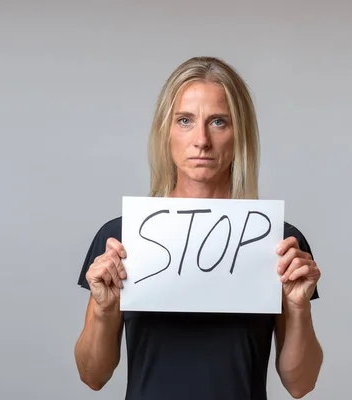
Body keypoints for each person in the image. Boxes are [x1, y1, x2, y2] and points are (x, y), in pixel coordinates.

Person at [74, 56, 323, 400]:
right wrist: (104, 310)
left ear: (240, 134)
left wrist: (298, 308)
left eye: (219, 121)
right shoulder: (121, 236)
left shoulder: (278, 242)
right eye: (185, 120)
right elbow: (92, 375)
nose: (201, 140)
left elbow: (301, 384)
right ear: (166, 131)